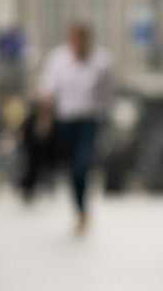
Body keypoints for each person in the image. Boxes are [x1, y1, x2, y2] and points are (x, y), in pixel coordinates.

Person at [39, 21, 113, 234]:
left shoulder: (102, 62)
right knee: (72, 167)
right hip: (66, 120)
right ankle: (80, 210)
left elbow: (107, 92)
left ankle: (83, 208)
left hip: (89, 120)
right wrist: (45, 119)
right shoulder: (57, 61)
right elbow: (48, 92)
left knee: (83, 164)